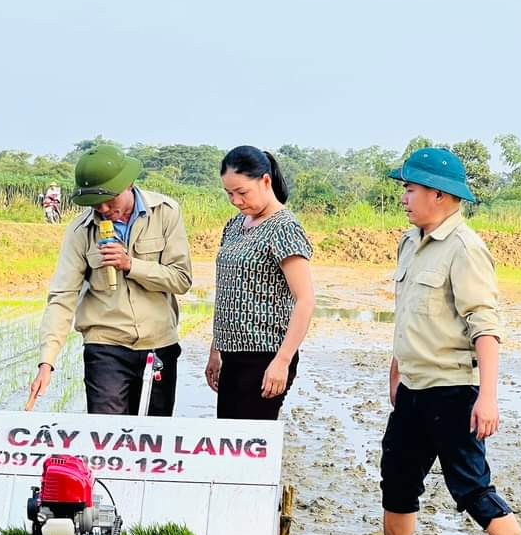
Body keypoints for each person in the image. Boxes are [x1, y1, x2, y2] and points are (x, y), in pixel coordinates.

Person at [381, 147, 521, 535]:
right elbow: (409, 315)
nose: (404, 197)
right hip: (413, 390)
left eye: (411, 189)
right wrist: (397, 370)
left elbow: (485, 328)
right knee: (396, 485)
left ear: (438, 194)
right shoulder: (409, 242)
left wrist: (488, 397)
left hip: (453, 392)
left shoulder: (465, 249)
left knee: (472, 490)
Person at [28, 144, 192, 416]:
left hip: (159, 345)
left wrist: (131, 265)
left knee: (154, 437)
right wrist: (46, 361)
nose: (103, 208)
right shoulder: (81, 230)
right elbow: (62, 296)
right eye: (95, 201)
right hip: (106, 347)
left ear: (129, 184)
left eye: (110, 199)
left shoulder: (166, 212)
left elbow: (181, 279)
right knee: (106, 438)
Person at [205, 147, 315, 420]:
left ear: (265, 181)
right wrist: (215, 350)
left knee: (250, 447)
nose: (236, 200)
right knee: (229, 444)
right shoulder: (234, 226)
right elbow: (227, 292)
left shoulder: (284, 227)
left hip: (265, 356)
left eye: (242, 192)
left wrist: (282, 360)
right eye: (229, 193)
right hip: (232, 355)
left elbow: (305, 299)